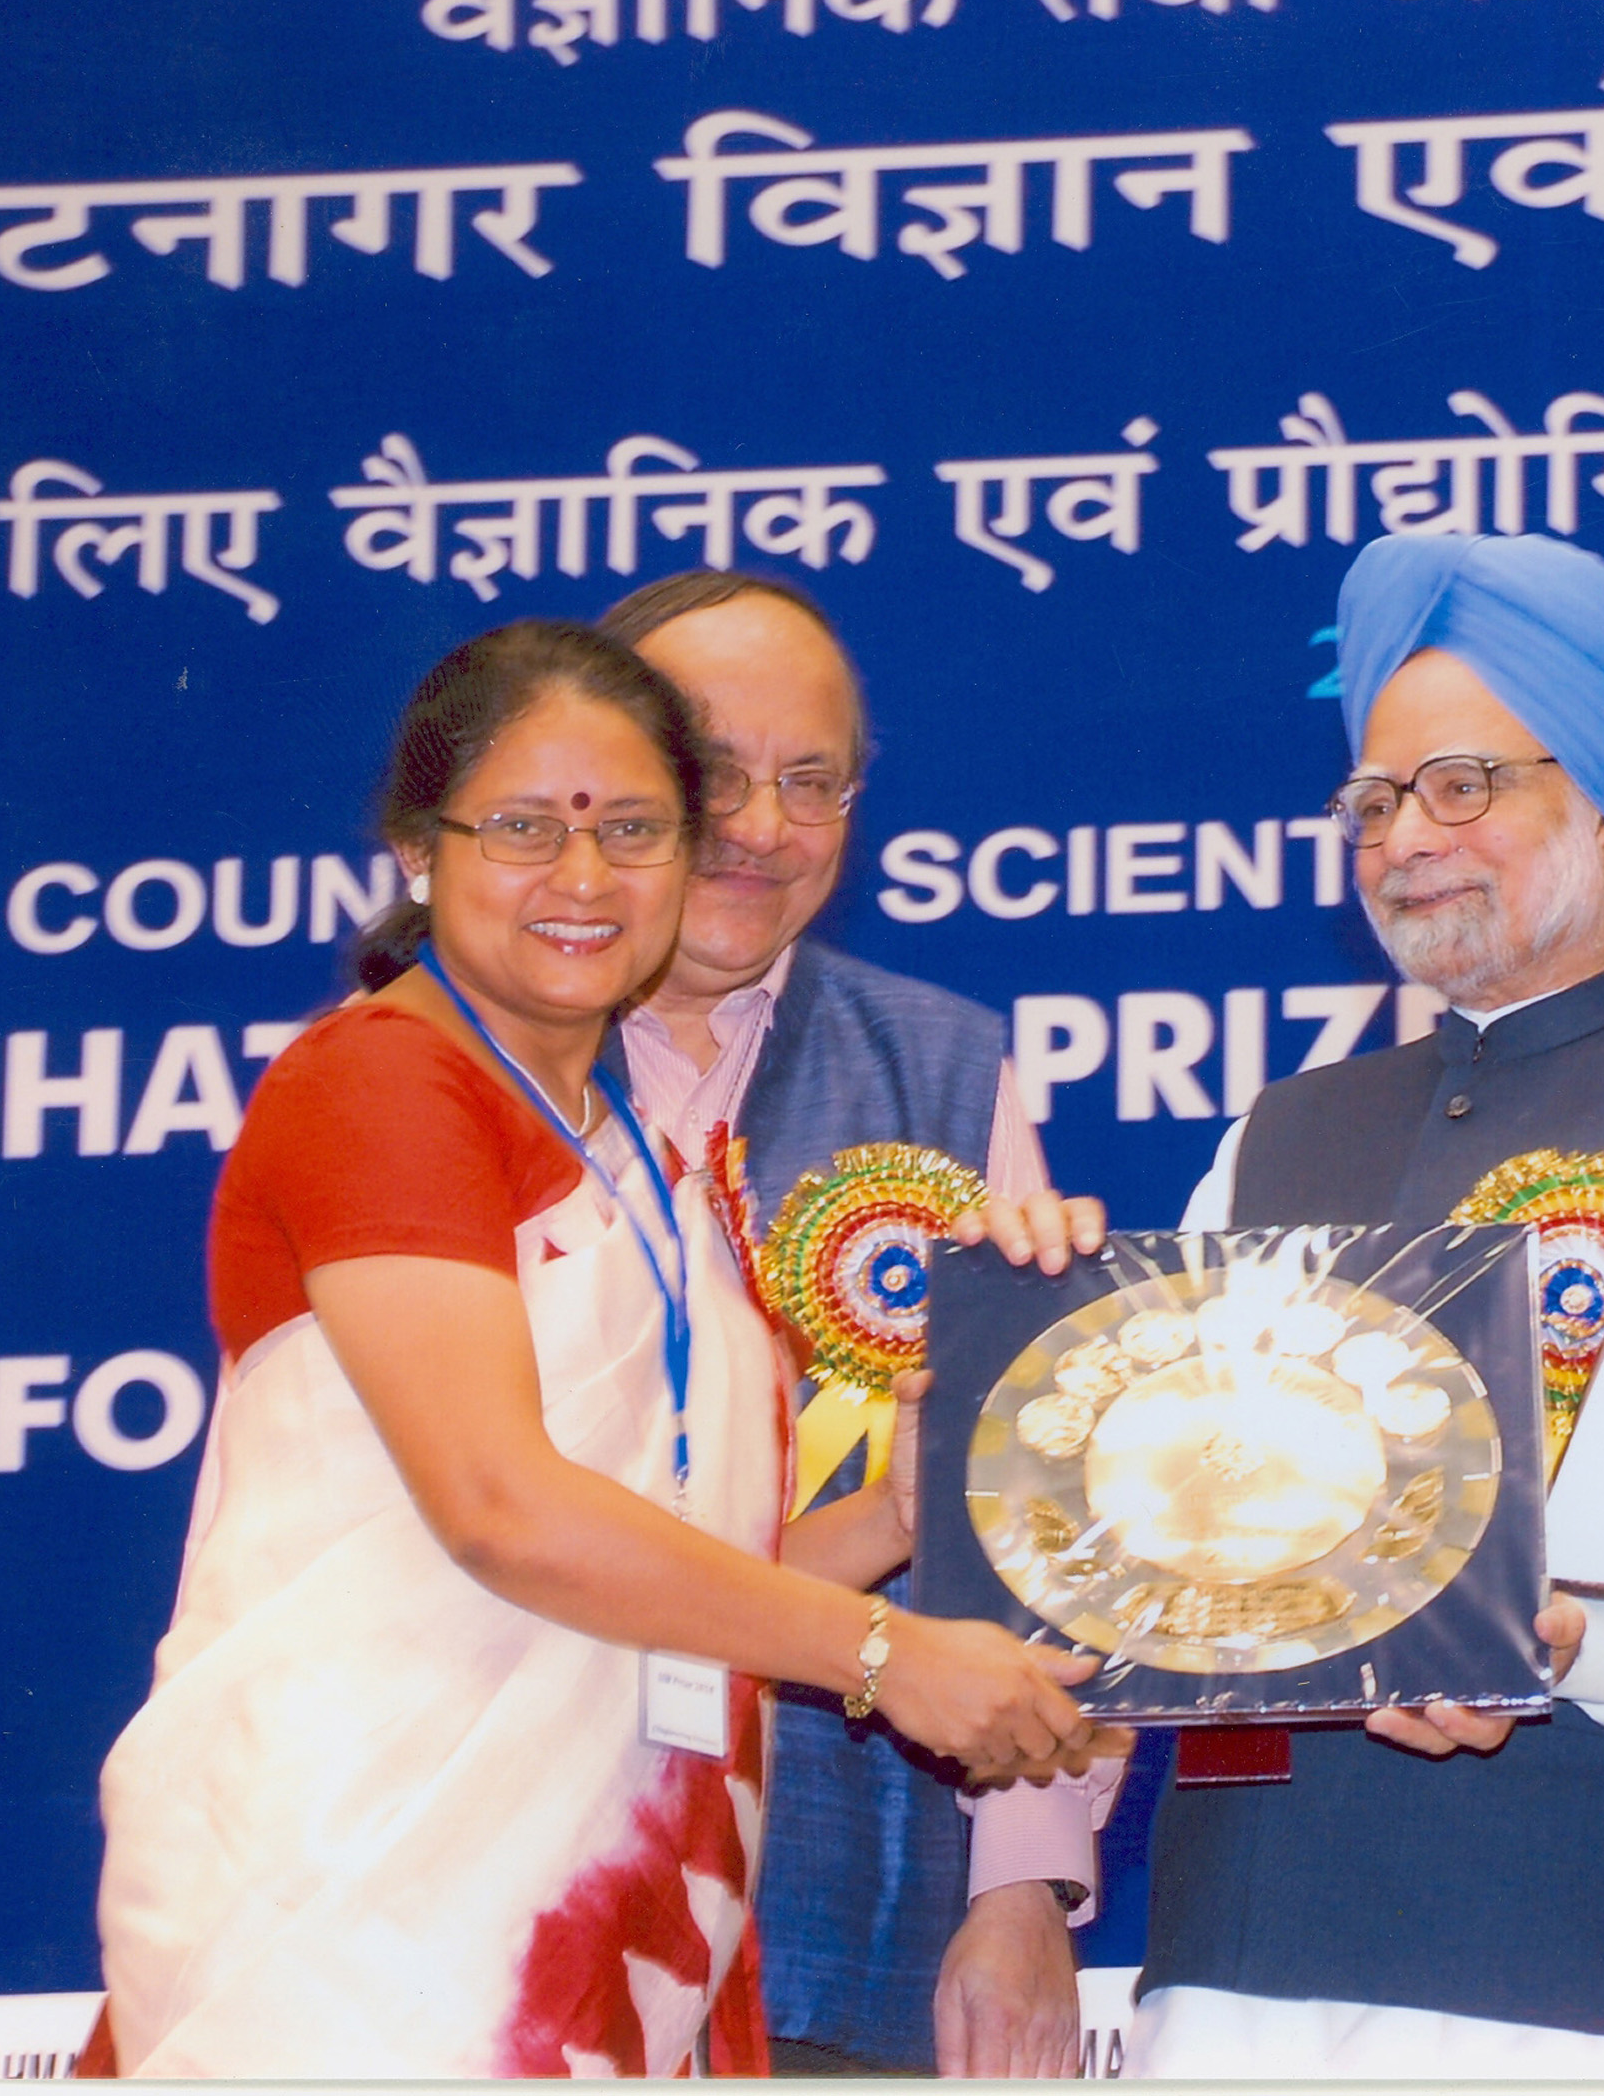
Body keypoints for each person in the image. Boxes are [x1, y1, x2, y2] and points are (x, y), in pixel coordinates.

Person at [89, 622, 1105, 2077]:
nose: (583, 879)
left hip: (577, 1917)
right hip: (360, 1909)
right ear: (414, 850)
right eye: (523, 828)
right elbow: (504, 1510)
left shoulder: (636, 1162)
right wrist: (887, 1655)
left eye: (631, 829)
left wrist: (894, 1517)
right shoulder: (384, 1081)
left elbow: (672, 1563)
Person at [1129, 533, 1604, 2078]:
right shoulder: (1269, 1135)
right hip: (1226, 1982)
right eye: (1373, 798)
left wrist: (1566, 1644)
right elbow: (1167, 1543)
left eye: (1460, 784)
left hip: (1563, 1980)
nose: (1405, 834)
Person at [595, 570, 1118, 2080]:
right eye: (711, 773)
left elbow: (1037, 1526)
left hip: (838, 1922)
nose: (762, 823)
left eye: (810, 780)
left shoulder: (942, 1071)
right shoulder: (480, 1066)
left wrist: (1026, 1891)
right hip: (504, 1886)